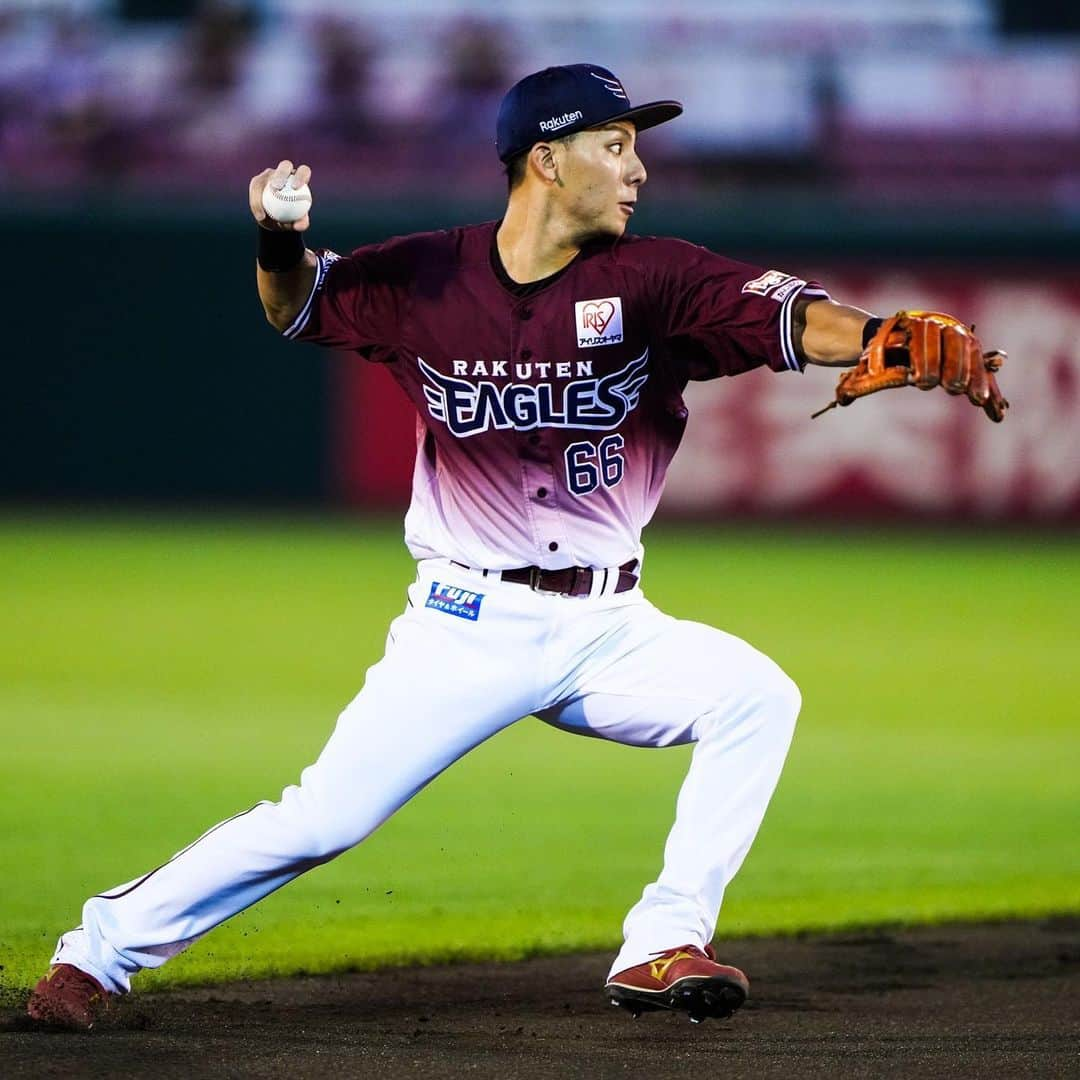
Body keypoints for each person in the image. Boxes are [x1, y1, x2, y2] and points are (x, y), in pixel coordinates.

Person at [27, 63, 1006, 1031]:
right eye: (614, 145)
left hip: (609, 626)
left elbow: (791, 316)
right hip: (466, 623)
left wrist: (883, 334)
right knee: (324, 818)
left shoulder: (657, 279)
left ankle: (661, 941)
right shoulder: (428, 276)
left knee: (756, 697)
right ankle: (96, 954)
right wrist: (276, 236)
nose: (638, 170)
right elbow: (297, 306)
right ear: (546, 160)